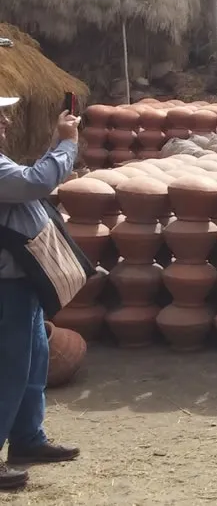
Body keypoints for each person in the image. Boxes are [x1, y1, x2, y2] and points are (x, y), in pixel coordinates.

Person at [0, 100, 83, 491]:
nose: (6, 119)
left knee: (33, 360)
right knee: (8, 369)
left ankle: (27, 439)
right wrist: (67, 145)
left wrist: (56, 144)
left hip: (20, 280)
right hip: (5, 286)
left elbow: (29, 177)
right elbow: (35, 182)